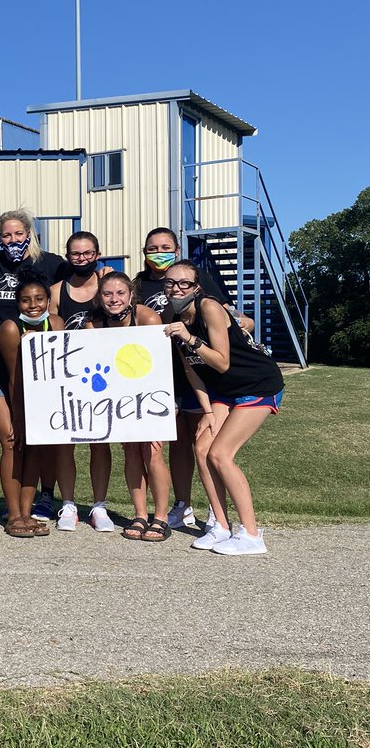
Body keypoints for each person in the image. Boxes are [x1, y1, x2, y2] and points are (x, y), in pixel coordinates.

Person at [134, 227, 254, 531]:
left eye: (165, 246)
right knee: (178, 445)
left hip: (202, 373)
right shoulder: (137, 285)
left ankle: (218, 513)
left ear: (176, 250)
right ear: (144, 252)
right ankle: (183, 505)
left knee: (207, 445)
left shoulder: (196, 279)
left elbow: (229, 316)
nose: (158, 252)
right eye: (152, 248)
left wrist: (241, 323)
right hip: (163, 376)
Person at [163, 261, 283, 555]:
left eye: (184, 284)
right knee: (202, 449)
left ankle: (252, 535)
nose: (176, 289)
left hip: (257, 385)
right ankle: (221, 526)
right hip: (224, 392)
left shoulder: (209, 308)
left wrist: (190, 338)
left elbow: (221, 362)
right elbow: (193, 371)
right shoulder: (173, 314)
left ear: (196, 287)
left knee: (221, 454)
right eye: (170, 283)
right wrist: (206, 411)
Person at [0, 209, 65, 523]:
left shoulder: (51, 264)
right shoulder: (5, 321)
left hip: (35, 382)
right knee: (12, 439)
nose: (13, 240)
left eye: (18, 234)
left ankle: (32, 506)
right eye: (6, 235)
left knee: (33, 444)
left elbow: (81, 276)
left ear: (30, 234)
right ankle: (15, 512)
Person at [87, 272, 171, 542]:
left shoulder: (147, 317)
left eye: (120, 293)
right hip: (119, 398)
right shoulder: (94, 324)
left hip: (151, 393)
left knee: (153, 452)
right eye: (108, 294)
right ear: (99, 297)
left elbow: (158, 365)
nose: (114, 299)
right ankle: (139, 514)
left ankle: (161, 517)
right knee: (132, 452)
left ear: (131, 295)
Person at [48, 231, 113, 531]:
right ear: (67, 255)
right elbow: (53, 320)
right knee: (65, 443)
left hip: (103, 374)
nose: (82, 259)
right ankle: (68, 504)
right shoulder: (56, 289)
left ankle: (99, 506)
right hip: (68, 374)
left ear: (97, 254)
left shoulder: (107, 284)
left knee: (100, 442)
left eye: (88, 253)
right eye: (76, 254)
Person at [0, 268, 69, 537]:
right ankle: (13, 514)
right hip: (8, 390)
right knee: (15, 444)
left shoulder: (57, 323)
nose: (33, 305)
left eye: (39, 299)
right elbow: (15, 379)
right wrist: (19, 419)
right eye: (26, 300)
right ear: (18, 303)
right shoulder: (10, 328)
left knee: (37, 450)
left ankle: (27, 513)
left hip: (41, 394)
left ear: (48, 301)